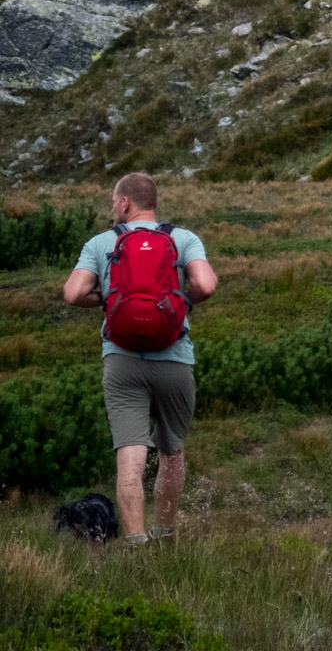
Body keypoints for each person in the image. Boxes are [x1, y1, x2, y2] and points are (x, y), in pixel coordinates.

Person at [62, 173, 217, 547]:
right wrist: (180, 302)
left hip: (122, 360)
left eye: (114, 201)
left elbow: (72, 293)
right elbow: (206, 284)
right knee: (171, 450)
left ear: (126, 203)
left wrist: (109, 299)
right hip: (175, 358)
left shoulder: (101, 243)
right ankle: (165, 534)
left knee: (130, 455)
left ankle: (135, 542)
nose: (112, 207)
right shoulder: (183, 238)